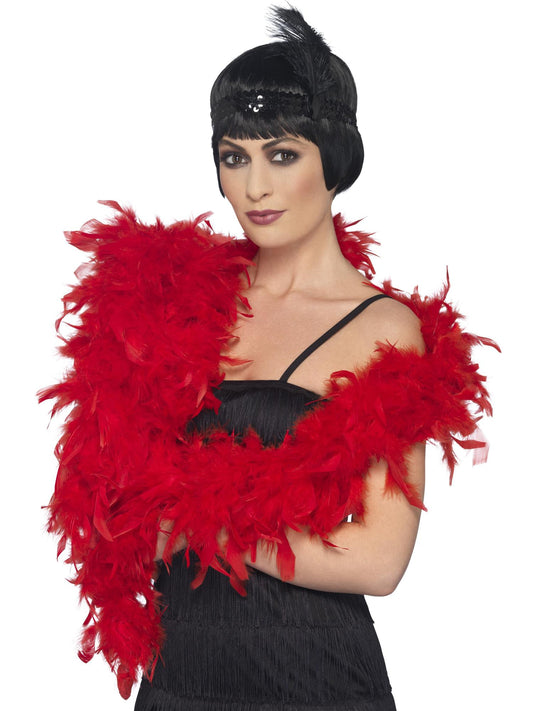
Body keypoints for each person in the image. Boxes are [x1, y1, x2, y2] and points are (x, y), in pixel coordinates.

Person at [39, 6, 496, 711]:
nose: (255, 187)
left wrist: (203, 526)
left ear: (334, 160)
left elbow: (378, 561)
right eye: (234, 157)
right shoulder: (171, 306)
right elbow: (111, 504)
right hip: (178, 675)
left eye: (282, 155)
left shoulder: (384, 330)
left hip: (313, 679)